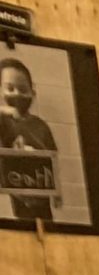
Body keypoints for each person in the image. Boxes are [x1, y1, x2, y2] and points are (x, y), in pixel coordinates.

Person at [0, 57, 59, 225]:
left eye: (23, 89)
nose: (17, 94)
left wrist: (57, 194)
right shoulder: (3, 122)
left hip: (42, 195)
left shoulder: (41, 126)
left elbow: (53, 158)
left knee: (46, 227)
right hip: (16, 199)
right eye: (10, 88)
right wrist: (5, 112)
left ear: (33, 93)